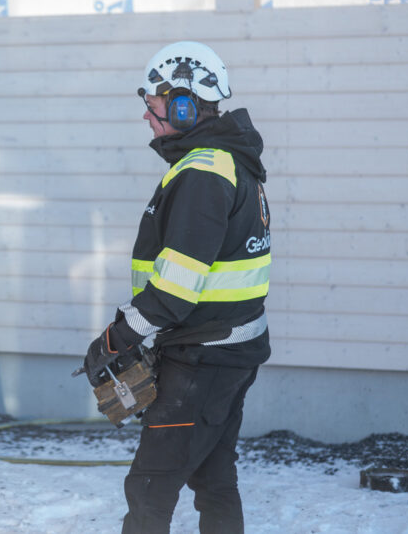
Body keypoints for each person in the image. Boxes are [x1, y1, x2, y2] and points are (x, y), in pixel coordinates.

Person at [83, 41, 271, 534]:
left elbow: (176, 289)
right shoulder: (225, 161)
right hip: (225, 349)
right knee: (213, 478)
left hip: (203, 358)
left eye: (155, 102)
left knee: (150, 488)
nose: (147, 115)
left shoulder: (204, 173)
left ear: (185, 104)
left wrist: (115, 338)